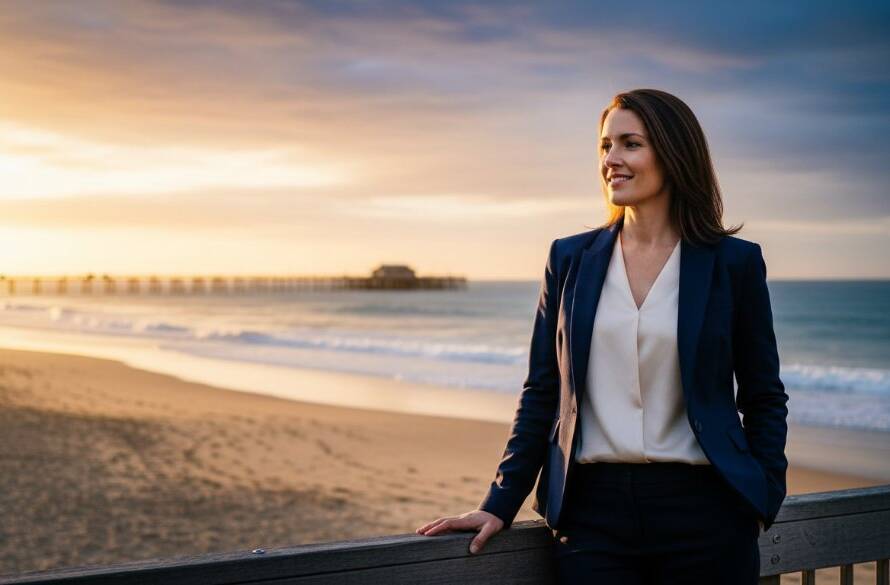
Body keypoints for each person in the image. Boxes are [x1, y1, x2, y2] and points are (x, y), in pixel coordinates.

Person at [415, 88, 789, 584]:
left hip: (707, 511)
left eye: (631, 144)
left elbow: (763, 395)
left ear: (674, 153)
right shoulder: (570, 259)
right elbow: (543, 391)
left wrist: (764, 496)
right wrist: (499, 503)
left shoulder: (734, 263)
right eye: (605, 146)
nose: (611, 159)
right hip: (592, 518)